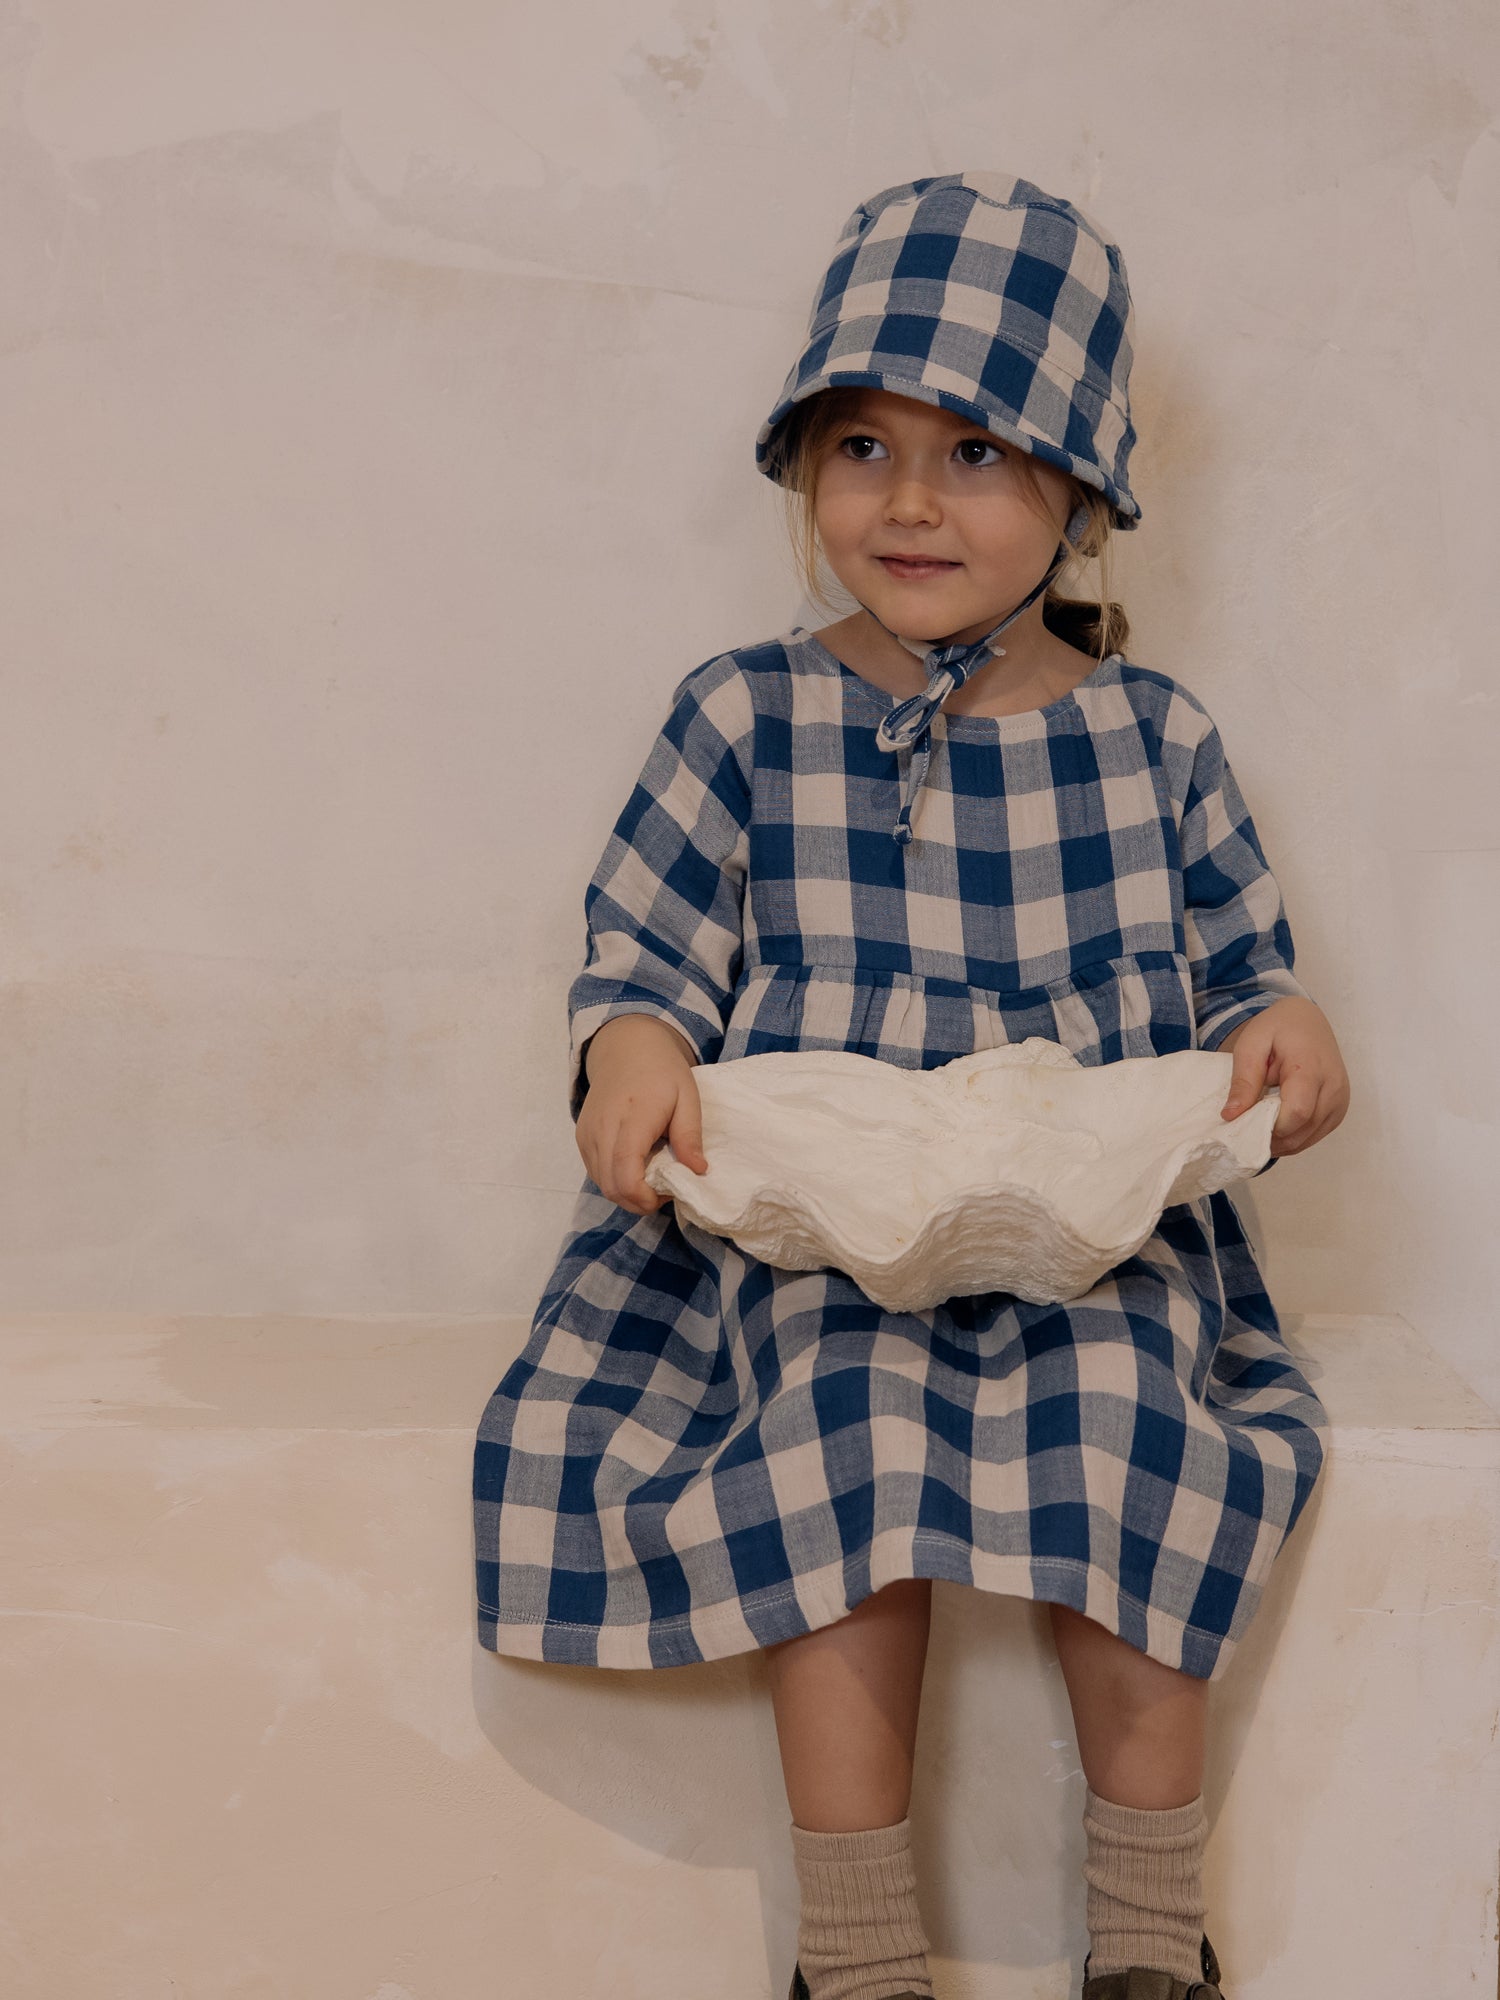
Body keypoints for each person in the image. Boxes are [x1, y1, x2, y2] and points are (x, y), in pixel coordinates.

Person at [472, 172, 1351, 2000]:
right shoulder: (743, 715)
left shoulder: (1153, 735)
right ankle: (859, 1952)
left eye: (979, 449)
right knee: (839, 1451)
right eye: (862, 442)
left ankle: (1143, 1932)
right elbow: (639, 951)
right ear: (804, 465)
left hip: (1083, 1224)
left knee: (1136, 1435)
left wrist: (1280, 1023)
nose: (913, 498)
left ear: (1083, 494)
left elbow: (1242, 958)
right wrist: (634, 1040)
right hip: (818, 1222)